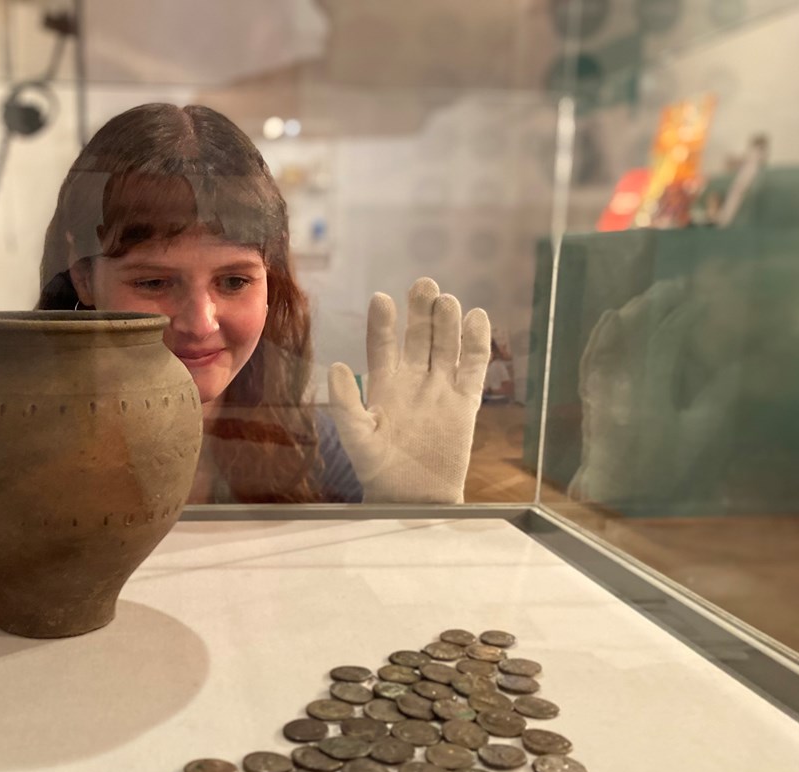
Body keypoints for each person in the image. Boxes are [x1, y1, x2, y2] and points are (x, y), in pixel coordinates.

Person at [38, 103, 490, 505]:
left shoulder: (313, 447)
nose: (200, 322)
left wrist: (412, 515)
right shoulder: (17, 446)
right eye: (154, 281)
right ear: (82, 275)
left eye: (234, 281)